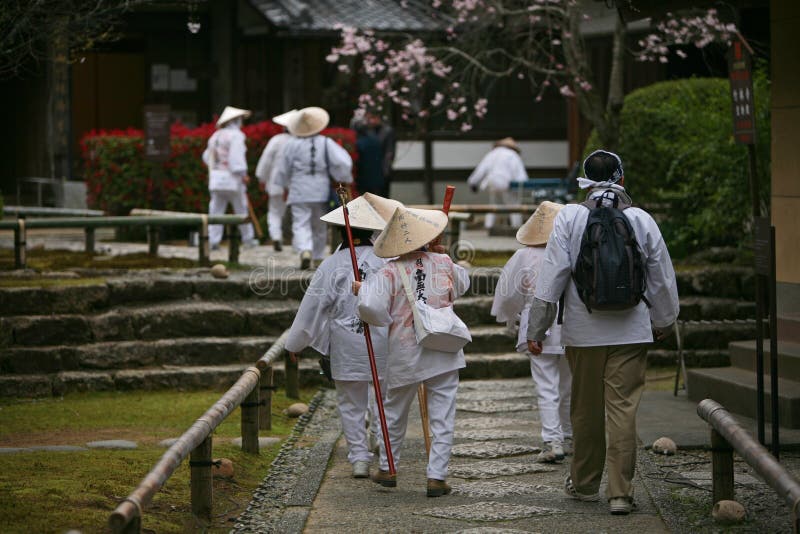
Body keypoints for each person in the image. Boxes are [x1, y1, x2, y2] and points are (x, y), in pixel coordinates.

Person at [526, 150, 679, 515]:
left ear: (584, 181)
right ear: (621, 179)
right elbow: (661, 276)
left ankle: (583, 485)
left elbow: (551, 279)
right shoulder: (640, 219)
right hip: (631, 330)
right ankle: (620, 493)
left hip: (582, 331)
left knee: (585, 409)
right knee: (623, 411)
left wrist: (538, 327)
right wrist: (664, 320)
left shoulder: (570, 218)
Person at [284, 193, 402, 479]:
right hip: (383, 339)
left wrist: (295, 342)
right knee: (384, 399)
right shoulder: (388, 261)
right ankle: (381, 443)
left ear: (340, 231)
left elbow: (312, 308)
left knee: (351, 403)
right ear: (373, 232)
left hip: (346, 342)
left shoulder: (331, 265)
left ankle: (359, 458)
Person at [355, 206, 470, 497]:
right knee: (443, 415)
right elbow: (462, 285)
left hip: (405, 350)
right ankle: (437, 476)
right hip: (443, 346)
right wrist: (444, 257)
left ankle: (388, 467)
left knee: (394, 411)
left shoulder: (389, 271)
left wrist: (381, 315)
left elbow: (371, 308)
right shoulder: (443, 261)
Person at [491, 201, 572, 463]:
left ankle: (553, 440)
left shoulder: (524, 256)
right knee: (569, 385)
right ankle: (568, 435)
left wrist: (510, 319)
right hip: (573, 325)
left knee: (546, 385)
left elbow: (507, 295)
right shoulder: (573, 252)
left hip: (537, 327)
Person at [274, 107, 353, 270]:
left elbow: (282, 168)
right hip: (320, 190)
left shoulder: (291, 144)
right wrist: (343, 178)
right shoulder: (326, 142)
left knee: (300, 222)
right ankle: (317, 257)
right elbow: (342, 163)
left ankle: (304, 250)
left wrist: (283, 184)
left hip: (298, 189)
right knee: (319, 225)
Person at [202, 105, 259, 250]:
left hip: (216, 178)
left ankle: (213, 240)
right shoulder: (237, 136)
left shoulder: (215, 136)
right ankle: (248, 239)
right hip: (232, 178)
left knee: (216, 210)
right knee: (241, 209)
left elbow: (207, 157)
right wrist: (243, 174)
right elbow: (236, 158)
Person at [255, 109, 296, 252]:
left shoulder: (276, 140)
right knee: (297, 214)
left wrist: (262, 178)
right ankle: (299, 244)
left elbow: (265, 161)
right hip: (295, 185)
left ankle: (276, 236)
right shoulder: (299, 141)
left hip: (275, 183)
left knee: (274, 212)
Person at [467, 137, 527, 230]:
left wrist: (473, 182)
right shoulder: (512, 155)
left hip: (492, 183)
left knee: (493, 205)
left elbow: (481, 169)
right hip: (507, 184)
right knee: (514, 206)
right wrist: (521, 184)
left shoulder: (491, 154)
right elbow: (520, 175)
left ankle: (488, 226)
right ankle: (516, 227)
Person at [364, 112, 396, 198]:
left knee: (383, 197)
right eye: (369, 118)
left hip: (382, 168)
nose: (372, 121)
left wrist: (386, 169)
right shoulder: (366, 130)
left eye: (374, 118)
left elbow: (389, 152)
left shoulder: (387, 131)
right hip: (368, 169)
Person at [353, 117, 385, 196]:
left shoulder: (358, 143)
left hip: (363, 177)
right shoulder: (376, 140)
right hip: (377, 175)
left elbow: (357, 160)